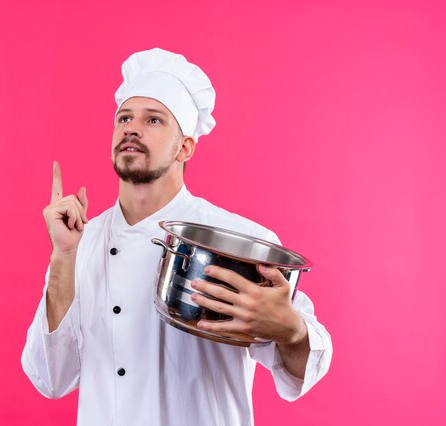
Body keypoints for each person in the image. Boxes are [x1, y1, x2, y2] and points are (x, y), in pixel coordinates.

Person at [22, 48, 332, 426]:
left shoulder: (238, 241)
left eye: (154, 119)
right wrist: (62, 258)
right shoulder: (79, 241)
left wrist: (291, 330)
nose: (131, 128)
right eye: (124, 118)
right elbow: (52, 379)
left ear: (184, 147)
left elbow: (305, 366)